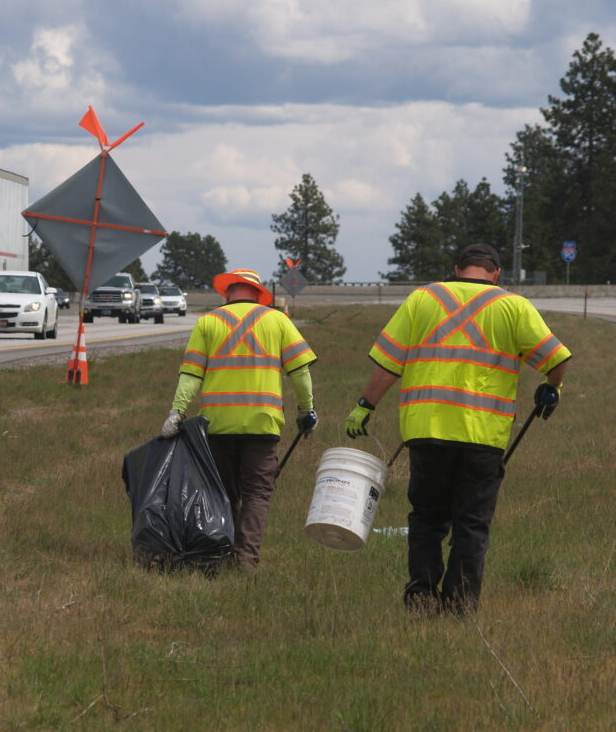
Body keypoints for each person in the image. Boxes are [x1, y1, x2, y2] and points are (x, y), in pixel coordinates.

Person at [344, 243, 570, 614]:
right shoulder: (513, 306)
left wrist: (364, 405)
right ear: (496, 273)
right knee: (472, 523)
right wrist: (551, 388)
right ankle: (460, 605)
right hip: (483, 435)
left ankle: (420, 596)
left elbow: (388, 361)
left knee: (427, 519)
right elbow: (557, 358)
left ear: (458, 269)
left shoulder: (422, 299)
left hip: (427, 430)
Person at [161, 268, 318, 566]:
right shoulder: (277, 320)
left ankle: (222, 551)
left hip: (217, 425)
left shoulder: (208, 322)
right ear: (259, 295)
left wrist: (177, 411)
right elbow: (300, 372)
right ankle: (245, 559)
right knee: (257, 493)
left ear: (226, 293)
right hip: (263, 422)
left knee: (223, 493)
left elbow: (191, 374)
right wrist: (305, 410)